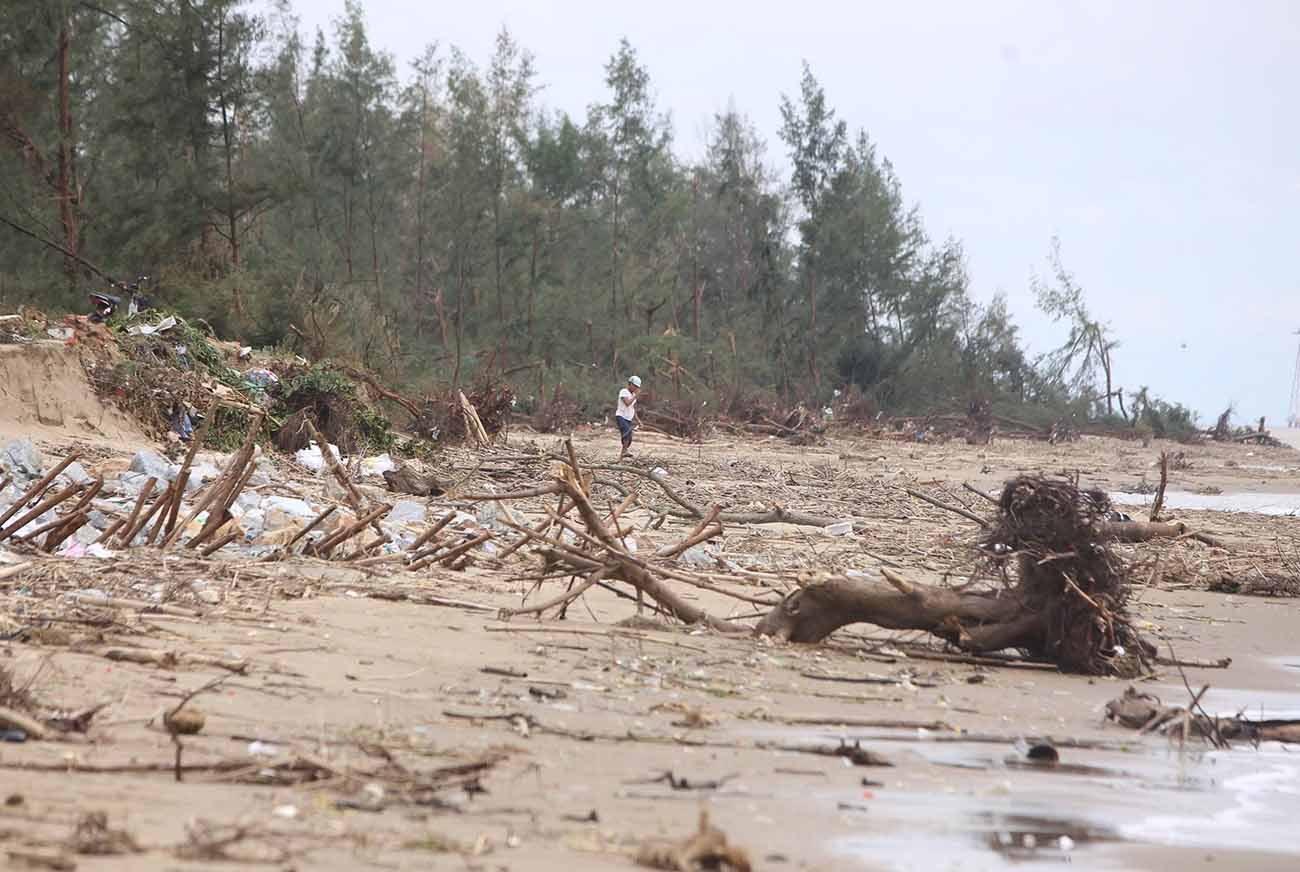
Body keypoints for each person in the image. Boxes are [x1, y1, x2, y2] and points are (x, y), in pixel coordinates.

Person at [616, 375, 641, 459]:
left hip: (628, 419)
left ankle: (622, 455)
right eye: (635, 386)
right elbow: (627, 403)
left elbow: (632, 409)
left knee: (629, 437)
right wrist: (635, 396)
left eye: (637, 387)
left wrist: (638, 420)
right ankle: (624, 452)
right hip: (621, 416)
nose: (635, 388)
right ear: (630, 384)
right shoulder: (624, 391)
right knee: (627, 432)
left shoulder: (633, 395)